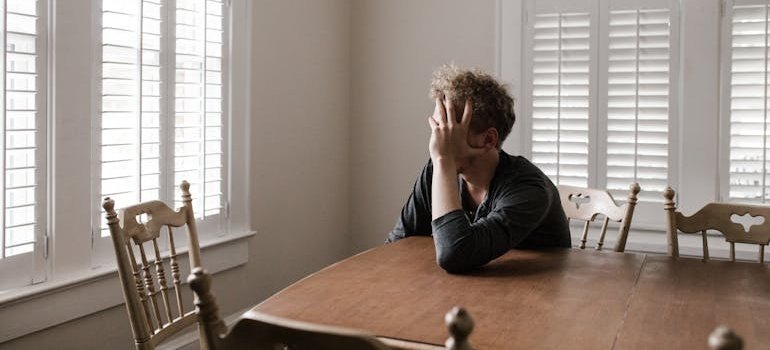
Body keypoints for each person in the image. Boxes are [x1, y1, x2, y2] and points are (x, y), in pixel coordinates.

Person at [388, 64, 571, 273]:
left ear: (488, 139)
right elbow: (397, 245)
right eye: (437, 128)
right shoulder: (437, 170)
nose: (437, 141)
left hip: (538, 289)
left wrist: (444, 160)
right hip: (470, 287)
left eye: (448, 129)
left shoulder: (529, 189)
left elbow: (455, 254)